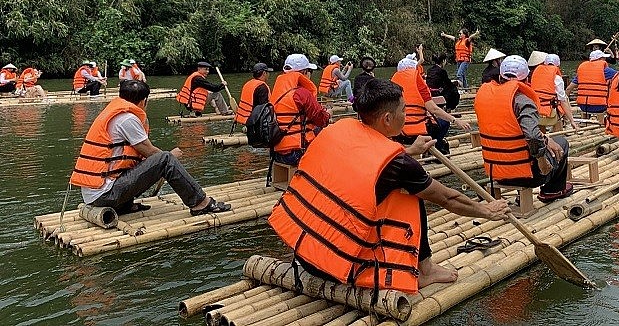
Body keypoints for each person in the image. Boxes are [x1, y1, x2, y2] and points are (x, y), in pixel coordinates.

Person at [268, 79, 510, 292]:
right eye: (403, 110)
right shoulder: (400, 165)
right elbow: (447, 199)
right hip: (337, 265)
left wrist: (411, 150)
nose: (407, 114)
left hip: (305, 254)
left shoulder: (337, 130)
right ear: (387, 119)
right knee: (411, 195)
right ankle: (425, 271)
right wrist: (487, 211)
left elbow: (367, 157)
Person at [69, 79, 231, 215]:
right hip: (104, 196)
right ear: (143, 101)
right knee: (166, 159)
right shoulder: (127, 119)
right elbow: (152, 153)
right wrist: (172, 156)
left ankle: (125, 205)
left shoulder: (114, 112)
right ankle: (200, 203)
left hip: (97, 194)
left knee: (158, 159)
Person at [474, 55, 575, 202]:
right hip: (525, 176)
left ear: (501, 76)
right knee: (562, 143)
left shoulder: (484, 96)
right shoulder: (523, 101)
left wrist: (545, 139)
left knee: (547, 142)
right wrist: (541, 158)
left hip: (494, 171)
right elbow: (533, 137)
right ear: (527, 79)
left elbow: (512, 130)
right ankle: (552, 191)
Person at [391, 54, 471, 155]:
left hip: (398, 132)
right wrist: (455, 120)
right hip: (416, 131)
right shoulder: (418, 81)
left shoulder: (392, 83)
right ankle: (433, 150)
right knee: (443, 123)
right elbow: (433, 109)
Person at [270, 54, 332, 165]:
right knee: (327, 135)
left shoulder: (277, 91)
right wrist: (328, 114)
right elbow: (322, 120)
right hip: (296, 153)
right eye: (309, 71)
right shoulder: (302, 93)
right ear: (303, 72)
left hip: (277, 153)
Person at [529, 54, 577, 131]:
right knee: (562, 103)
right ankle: (560, 132)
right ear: (558, 65)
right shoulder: (557, 78)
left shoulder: (536, 73)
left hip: (535, 109)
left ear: (545, 63)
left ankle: (542, 137)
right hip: (549, 111)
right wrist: (572, 121)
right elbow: (563, 101)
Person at [565, 49, 617, 115]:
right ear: (601, 59)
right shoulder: (606, 70)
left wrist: (565, 105)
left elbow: (568, 89)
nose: (605, 59)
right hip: (600, 106)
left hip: (583, 106)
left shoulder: (582, 70)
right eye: (604, 58)